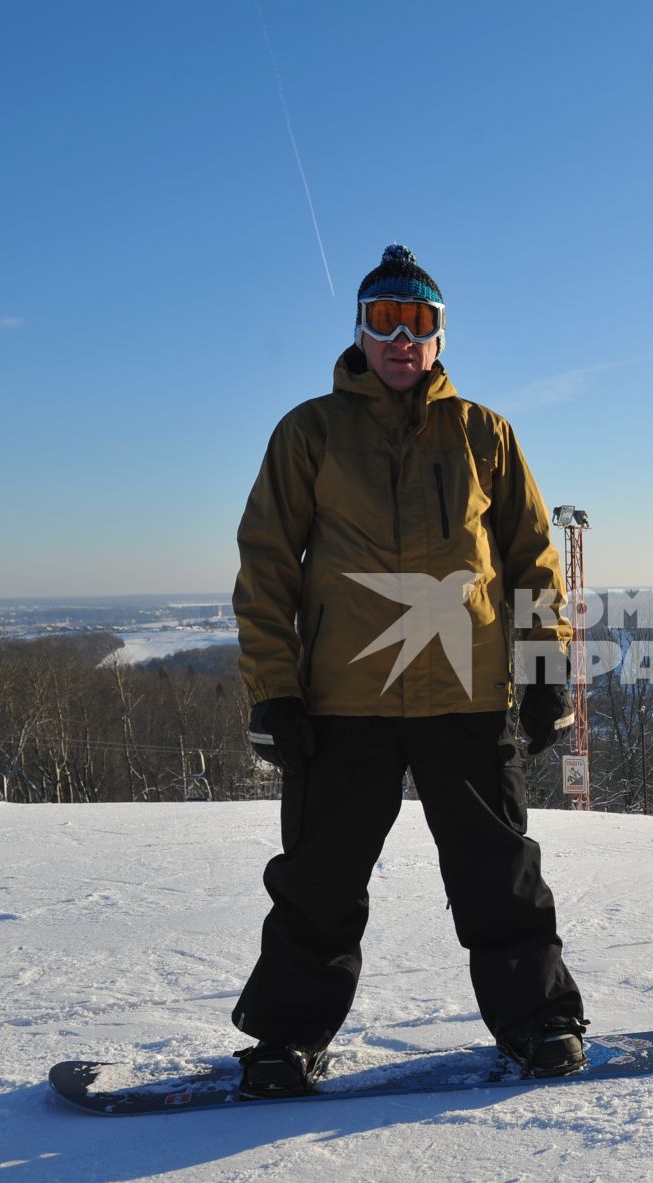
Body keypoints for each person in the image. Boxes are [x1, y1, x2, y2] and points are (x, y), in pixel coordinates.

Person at [230, 243, 587, 1096]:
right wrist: (274, 690)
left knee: (497, 874)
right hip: (342, 701)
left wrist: (543, 670)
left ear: (438, 337)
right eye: (384, 319)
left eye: (418, 321)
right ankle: (286, 1039)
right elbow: (266, 564)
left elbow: (537, 563)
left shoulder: (484, 434)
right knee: (319, 880)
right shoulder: (309, 432)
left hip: (465, 693)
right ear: (359, 329)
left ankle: (541, 1022)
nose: (401, 336)